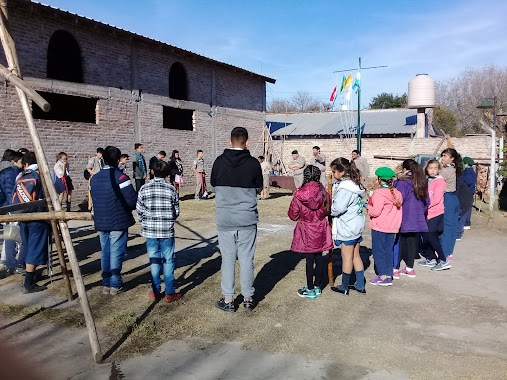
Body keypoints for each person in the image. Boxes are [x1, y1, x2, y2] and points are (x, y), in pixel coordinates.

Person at [211, 127, 262, 313]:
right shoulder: (254, 163)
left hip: (225, 219)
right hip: (247, 218)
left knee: (228, 259)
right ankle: (248, 298)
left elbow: (214, 186)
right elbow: (258, 188)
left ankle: (229, 300)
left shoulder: (218, 162)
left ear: (229, 141)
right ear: (246, 142)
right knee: (247, 258)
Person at [90, 146, 137, 295]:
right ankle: (115, 283)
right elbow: (132, 200)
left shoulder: (95, 178)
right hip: (118, 220)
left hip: (101, 221)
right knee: (116, 252)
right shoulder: (121, 177)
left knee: (105, 252)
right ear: (118, 160)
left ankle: (106, 282)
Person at [136, 160, 182, 303]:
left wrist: (145, 222)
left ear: (152, 171)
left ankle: (156, 290)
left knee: (154, 261)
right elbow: (176, 211)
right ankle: (169, 292)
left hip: (150, 231)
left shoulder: (144, 188)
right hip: (166, 231)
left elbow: (139, 210)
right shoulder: (171, 189)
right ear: (167, 173)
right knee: (168, 261)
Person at [288, 165, 333, 299]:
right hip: (320, 227)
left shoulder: (299, 194)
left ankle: (310, 288)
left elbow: (293, 215)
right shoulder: (324, 193)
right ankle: (318, 286)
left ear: (305, 176)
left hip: (307, 228)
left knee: (309, 259)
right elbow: (328, 210)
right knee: (319, 257)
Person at [11, 152, 50, 293]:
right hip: (38, 217)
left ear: (26, 163)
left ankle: (29, 276)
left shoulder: (20, 175)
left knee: (27, 246)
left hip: (23, 216)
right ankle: (28, 283)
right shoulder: (42, 174)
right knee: (35, 248)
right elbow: (57, 189)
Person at [329, 157, 366, 295]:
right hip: (356, 223)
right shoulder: (354, 183)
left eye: (334, 171)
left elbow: (338, 208)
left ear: (342, 171)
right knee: (356, 255)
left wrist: (329, 210)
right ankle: (360, 284)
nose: (333, 174)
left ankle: (344, 286)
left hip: (348, 225)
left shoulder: (346, 188)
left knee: (347, 257)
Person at [393, 159, 428, 279]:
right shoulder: (421, 181)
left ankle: (395, 268)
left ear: (405, 169)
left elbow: (398, 199)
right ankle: (409, 268)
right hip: (417, 217)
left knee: (399, 242)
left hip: (404, 216)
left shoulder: (402, 183)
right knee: (412, 242)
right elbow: (427, 201)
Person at [367, 167, 403, 287]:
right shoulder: (397, 193)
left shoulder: (378, 193)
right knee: (388, 251)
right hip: (392, 227)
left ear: (379, 179)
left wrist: (367, 206)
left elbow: (375, 212)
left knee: (378, 252)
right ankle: (388, 274)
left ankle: (382, 276)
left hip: (379, 227)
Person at [418, 160, 450, 271]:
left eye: (435, 168)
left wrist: (424, 206)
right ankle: (431, 258)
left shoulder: (440, 181)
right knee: (426, 236)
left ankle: (443, 259)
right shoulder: (427, 180)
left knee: (431, 235)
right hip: (426, 212)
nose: (432, 170)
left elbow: (436, 199)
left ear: (438, 169)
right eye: (430, 168)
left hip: (435, 212)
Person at [0, 149, 23, 275]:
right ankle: (13, 264)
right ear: (13, 161)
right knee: (12, 235)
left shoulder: (3, 171)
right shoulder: (10, 172)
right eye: (20, 161)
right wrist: (14, 209)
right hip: (11, 207)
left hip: (6, 206)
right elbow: (10, 191)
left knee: (10, 235)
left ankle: (10, 263)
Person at [439, 148, 462, 261]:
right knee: (452, 226)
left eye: (445, 156)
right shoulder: (453, 168)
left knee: (447, 226)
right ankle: (449, 252)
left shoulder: (445, 170)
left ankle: (443, 252)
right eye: (442, 155)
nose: (442, 158)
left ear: (451, 158)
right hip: (452, 197)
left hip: (447, 197)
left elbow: (431, 174)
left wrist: (435, 166)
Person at [459, 156, 477, 233]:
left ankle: (466, 223)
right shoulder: (472, 171)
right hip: (470, 192)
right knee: (468, 207)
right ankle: (466, 222)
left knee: (465, 208)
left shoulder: (467, 172)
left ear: (466, 163)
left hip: (467, 193)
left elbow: (466, 181)